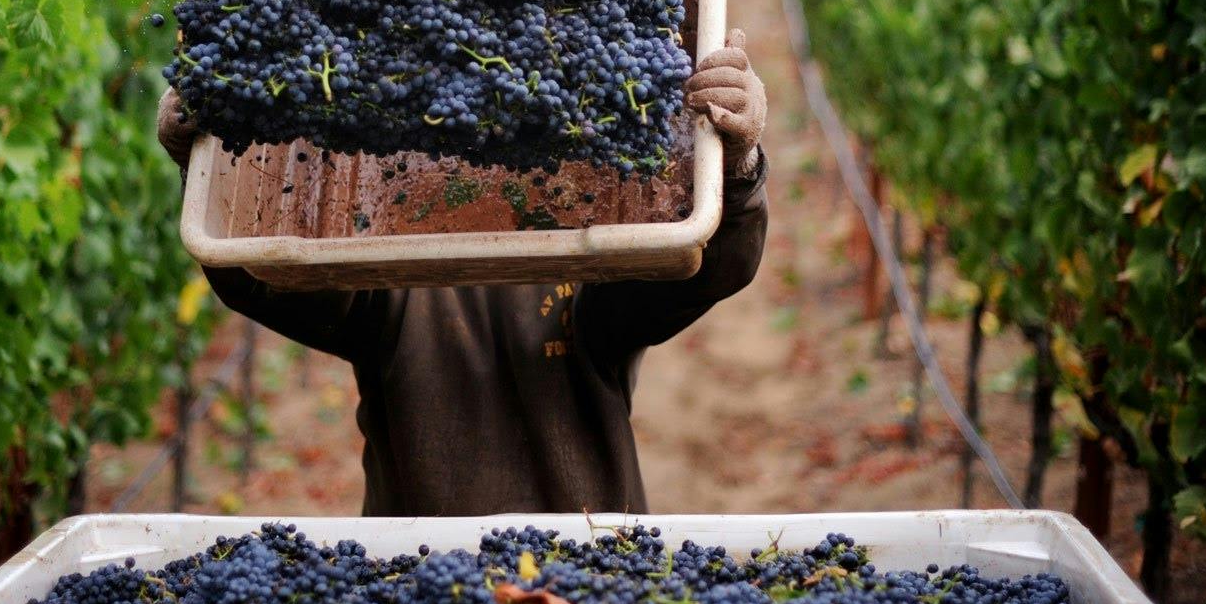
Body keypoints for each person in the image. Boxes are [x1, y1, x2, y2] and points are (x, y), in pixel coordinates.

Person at [156, 31, 770, 517]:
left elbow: (707, 269)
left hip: (587, 565)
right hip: (418, 576)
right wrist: (212, 166)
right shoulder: (380, 267)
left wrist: (736, 167)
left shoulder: (594, 261)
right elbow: (260, 274)